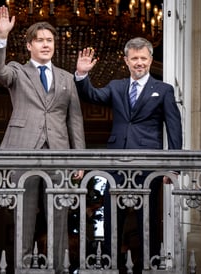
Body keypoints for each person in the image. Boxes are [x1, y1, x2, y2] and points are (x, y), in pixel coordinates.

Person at [0, 6, 86, 274]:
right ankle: (22, 268)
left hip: (60, 153)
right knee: (24, 217)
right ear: (29, 45)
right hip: (23, 151)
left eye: (50, 41)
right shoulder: (17, 71)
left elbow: (74, 120)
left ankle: (58, 269)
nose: (46, 45)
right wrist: (1, 36)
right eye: (40, 40)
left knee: (59, 217)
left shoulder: (67, 78)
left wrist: (79, 157)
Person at [75, 37, 182, 273]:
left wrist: (174, 166)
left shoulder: (163, 90)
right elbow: (92, 96)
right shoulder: (116, 86)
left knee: (148, 218)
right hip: (117, 161)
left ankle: (149, 265)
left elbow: (174, 127)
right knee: (113, 216)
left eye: (144, 58)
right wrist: (82, 75)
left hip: (148, 163)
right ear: (126, 61)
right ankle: (110, 265)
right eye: (135, 58)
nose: (140, 63)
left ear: (151, 60)